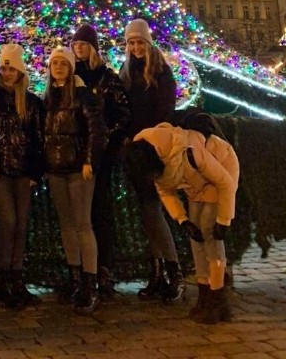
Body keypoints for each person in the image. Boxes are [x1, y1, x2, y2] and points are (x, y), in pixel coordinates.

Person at [124, 121, 239, 323]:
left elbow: (225, 182)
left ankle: (217, 297)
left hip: (219, 174)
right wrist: (183, 220)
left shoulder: (189, 151)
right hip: (195, 187)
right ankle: (204, 295)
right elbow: (165, 190)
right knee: (196, 237)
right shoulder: (155, 159)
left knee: (209, 232)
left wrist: (224, 219)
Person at [119, 18, 184, 302]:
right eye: (131, 43)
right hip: (134, 150)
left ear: (148, 43)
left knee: (154, 210)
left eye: (139, 42)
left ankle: (174, 271)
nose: (135, 47)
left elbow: (166, 110)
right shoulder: (126, 72)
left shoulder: (160, 71)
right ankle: (157, 272)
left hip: (154, 150)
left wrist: (151, 138)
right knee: (147, 213)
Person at [0, 42, 44, 309]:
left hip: (24, 171)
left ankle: (17, 277)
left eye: (11, 68)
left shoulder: (32, 103)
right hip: (2, 171)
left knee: (21, 223)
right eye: (3, 68)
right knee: (8, 220)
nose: (6, 73)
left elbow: (38, 138)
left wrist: (36, 172)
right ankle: (4, 277)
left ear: (20, 71)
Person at [43, 46, 106, 314]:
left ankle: (90, 284)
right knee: (67, 225)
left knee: (82, 225)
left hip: (78, 169)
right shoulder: (46, 98)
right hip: (56, 169)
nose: (58, 67)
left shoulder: (81, 95)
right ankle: (75, 278)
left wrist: (90, 160)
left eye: (63, 63)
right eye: (54, 63)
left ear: (70, 68)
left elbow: (96, 129)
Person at [70, 22, 131, 299]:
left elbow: (121, 114)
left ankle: (104, 268)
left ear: (93, 47)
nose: (79, 48)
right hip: (75, 156)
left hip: (102, 156)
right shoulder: (71, 76)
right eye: (76, 44)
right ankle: (82, 270)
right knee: (80, 215)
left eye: (83, 44)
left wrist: (106, 140)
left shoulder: (107, 77)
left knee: (101, 211)